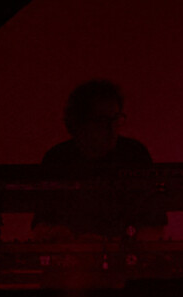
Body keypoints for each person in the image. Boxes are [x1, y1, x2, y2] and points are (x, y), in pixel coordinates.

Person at [32, 78, 165, 241]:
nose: (110, 128)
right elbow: (43, 226)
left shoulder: (134, 155)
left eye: (115, 119)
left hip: (127, 259)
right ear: (79, 123)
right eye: (101, 121)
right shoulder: (58, 159)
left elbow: (154, 225)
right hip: (74, 261)